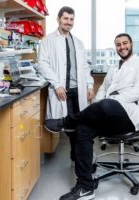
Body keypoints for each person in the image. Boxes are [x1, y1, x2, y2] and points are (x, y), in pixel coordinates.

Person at [45, 33, 139, 200]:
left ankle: (66, 121)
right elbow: (102, 90)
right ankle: (85, 187)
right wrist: (101, 103)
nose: (122, 47)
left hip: (132, 115)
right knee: (83, 128)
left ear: (131, 44)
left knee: (106, 104)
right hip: (109, 114)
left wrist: (109, 101)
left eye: (125, 43)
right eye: (118, 44)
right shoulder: (113, 69)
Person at [37, 6, 94, 164]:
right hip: (62, 90)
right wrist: (56, 84)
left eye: (71, 19)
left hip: (78, 89)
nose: (68, 22)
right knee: (67, 123)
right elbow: (42, 64)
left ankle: (77, 154)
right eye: (65, 19)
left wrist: (89, 85)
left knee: (79, 123)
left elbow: (84, 67)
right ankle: (76, 153)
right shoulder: (47, 41)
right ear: (58, 19)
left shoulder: (78, 42)